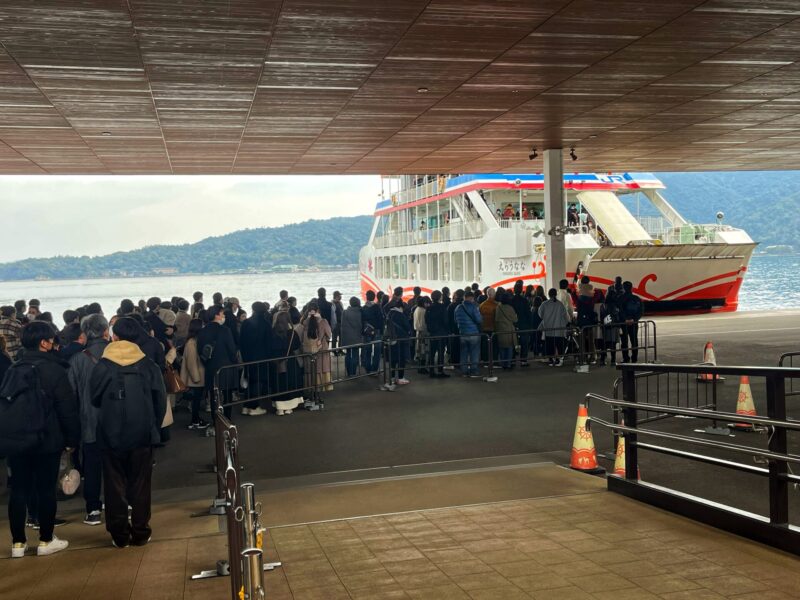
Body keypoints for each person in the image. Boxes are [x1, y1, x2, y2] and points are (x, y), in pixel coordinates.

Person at [88, 317, 166, 549]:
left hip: (110, 434)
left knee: (114, 485)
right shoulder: (147, 365)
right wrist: (152, 425)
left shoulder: (103, 366)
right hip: (142, 435)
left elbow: (94, 398)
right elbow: (160, 402)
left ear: (114, 337)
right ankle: (141, 531)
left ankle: (119, 534)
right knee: (141, 484)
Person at [5, 321, 80, 557]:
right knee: (46, 489)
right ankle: (46, 540)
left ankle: (18, 543)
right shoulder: (55, 370)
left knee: (19, 490)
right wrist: (72, 439)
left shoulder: (14, 369)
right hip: (47, 439)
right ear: (44, 343)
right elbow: (67, 409)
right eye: (52, 339)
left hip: (17, 440)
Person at [67, 314, 110, 526]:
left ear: (84, 334)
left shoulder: (77, 359)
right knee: (117, 464)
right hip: (116, 421)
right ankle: (122, 504)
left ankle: (93, 509)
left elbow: (71, 395)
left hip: (89, 422)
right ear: (106, 331)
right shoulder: (116, 353)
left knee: (92, 466)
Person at [196, 306, 239, 418]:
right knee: (227, 394)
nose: (224, 316)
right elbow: (231, 350)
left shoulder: (202, 331)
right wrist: (235, 361)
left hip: (210, 367)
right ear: (216, 315)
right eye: (222, 314)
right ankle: (227, 419)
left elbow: (200, 351)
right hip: (225, 367)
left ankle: (216, 421)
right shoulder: (225, 330)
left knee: (213, 395)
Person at [238, 302, 271, 416]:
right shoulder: (266, 324)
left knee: (249, 380)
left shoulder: (246, 322)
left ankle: (246, 406)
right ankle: (254, 406)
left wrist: (244, 356)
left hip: (248, 356)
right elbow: (268, 343)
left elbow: (241, 341)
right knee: (258, 382)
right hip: (262, 357)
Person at [299, 300, 333, 394]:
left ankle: (310, 387)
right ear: (318, 310)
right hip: (321, 349)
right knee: (321, 367)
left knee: (310, 368)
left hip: (309, 349)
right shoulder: (323, 321)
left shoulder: (304, 322)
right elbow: (329, 334)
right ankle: (321, 387)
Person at [180, 319, 208, 429]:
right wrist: (196, 378)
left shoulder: (193, 341)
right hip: (195, 378)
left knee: (196, 400)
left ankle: (195, 420)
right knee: (196, 401)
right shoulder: (192, 343)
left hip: (196, 377)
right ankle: (195, 421)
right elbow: (191, 363)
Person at [385, 293, 412, 385]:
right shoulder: (400, 315)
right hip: (401, 340)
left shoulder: (389, 313)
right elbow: (407, 327)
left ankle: (392, 378)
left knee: (393, 359)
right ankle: (400, 378)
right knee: (401, 359)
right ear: (401, 306)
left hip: (392, 340)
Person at [539, 288, 570, 367]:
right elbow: (566, 317)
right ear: (556, 294)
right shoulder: (560, 304)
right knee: (559, 345)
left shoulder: (544, 304)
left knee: (550, 345)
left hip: (548, 329)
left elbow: (540, 314)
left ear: (549, 295)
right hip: (559, 329)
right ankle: (558, 360)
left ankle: (551, 360)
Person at [454, 290, 482, 377]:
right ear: (472, 298)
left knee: (464, 353)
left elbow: (455, 321)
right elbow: (479, 320)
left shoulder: (458, 307)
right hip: (473, 333)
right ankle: (473, 371)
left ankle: (464, 371)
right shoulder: (473, 307)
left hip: (462, 333)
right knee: (474, 352)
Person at [424, 290, 449, 378]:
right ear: (439, 297)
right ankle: (440, 371)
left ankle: (431, 371)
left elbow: (426, 320)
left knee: (432, 352)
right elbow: (445, 321)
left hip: (432, 333)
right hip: (441, 333)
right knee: (441, 352)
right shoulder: (442, 307)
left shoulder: (429, 308)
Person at [619, 281, 643, 363]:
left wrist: (625, 319)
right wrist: (634, 319)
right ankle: (634, 358)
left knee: (624, 341)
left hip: (623, 323)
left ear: (623, 288)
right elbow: (641, 311)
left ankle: (626, 358)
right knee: (634, 341)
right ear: (631, 288)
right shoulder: (637, 298)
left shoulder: (620, 298)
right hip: (634, 323)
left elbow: (619, 311)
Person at [360, 290, 384, 374]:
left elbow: (361, 321)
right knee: (377, 351)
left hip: (367, 331)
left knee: (367, 350)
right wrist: (382, 331)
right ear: (374, 297)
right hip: (377, 331)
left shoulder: (363, 308)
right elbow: (381, 320)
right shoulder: (377, 307)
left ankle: (368, 369)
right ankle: (375, 369)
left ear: (366, 297)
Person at [511, 281, 532, 367]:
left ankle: (512, 360)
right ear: (521, 290)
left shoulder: (511, 300)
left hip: (513, 324)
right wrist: (530, 325)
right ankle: (523, 360)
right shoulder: (524, 300)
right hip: (524, 325)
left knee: (512, 342)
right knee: (524, 343)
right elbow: (528, 313)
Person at [494, 291, 518, 369]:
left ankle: (503, 363)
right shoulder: (510, 308)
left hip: (500, 330)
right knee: (509, 348)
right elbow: (515, 320)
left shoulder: (498, 307)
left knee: (502, 348)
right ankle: (508, 364)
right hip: (509, 330)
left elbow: (496, 319)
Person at [340, 297, 363, 377]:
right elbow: (361, 325)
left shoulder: (345, 312)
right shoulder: (360, 312)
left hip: (347, 337)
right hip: (357, 336)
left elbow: (342, 325)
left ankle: (349, 372)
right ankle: (353, 372)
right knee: (355, 354)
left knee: (348, 354)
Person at [412, 296, 429, 374]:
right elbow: (423, 323)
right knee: (423, 351)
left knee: (419, 350)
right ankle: (422, 368)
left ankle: (420, 367)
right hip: (423, 333)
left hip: (418, 332)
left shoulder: (416, 309)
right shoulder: (423, 311)